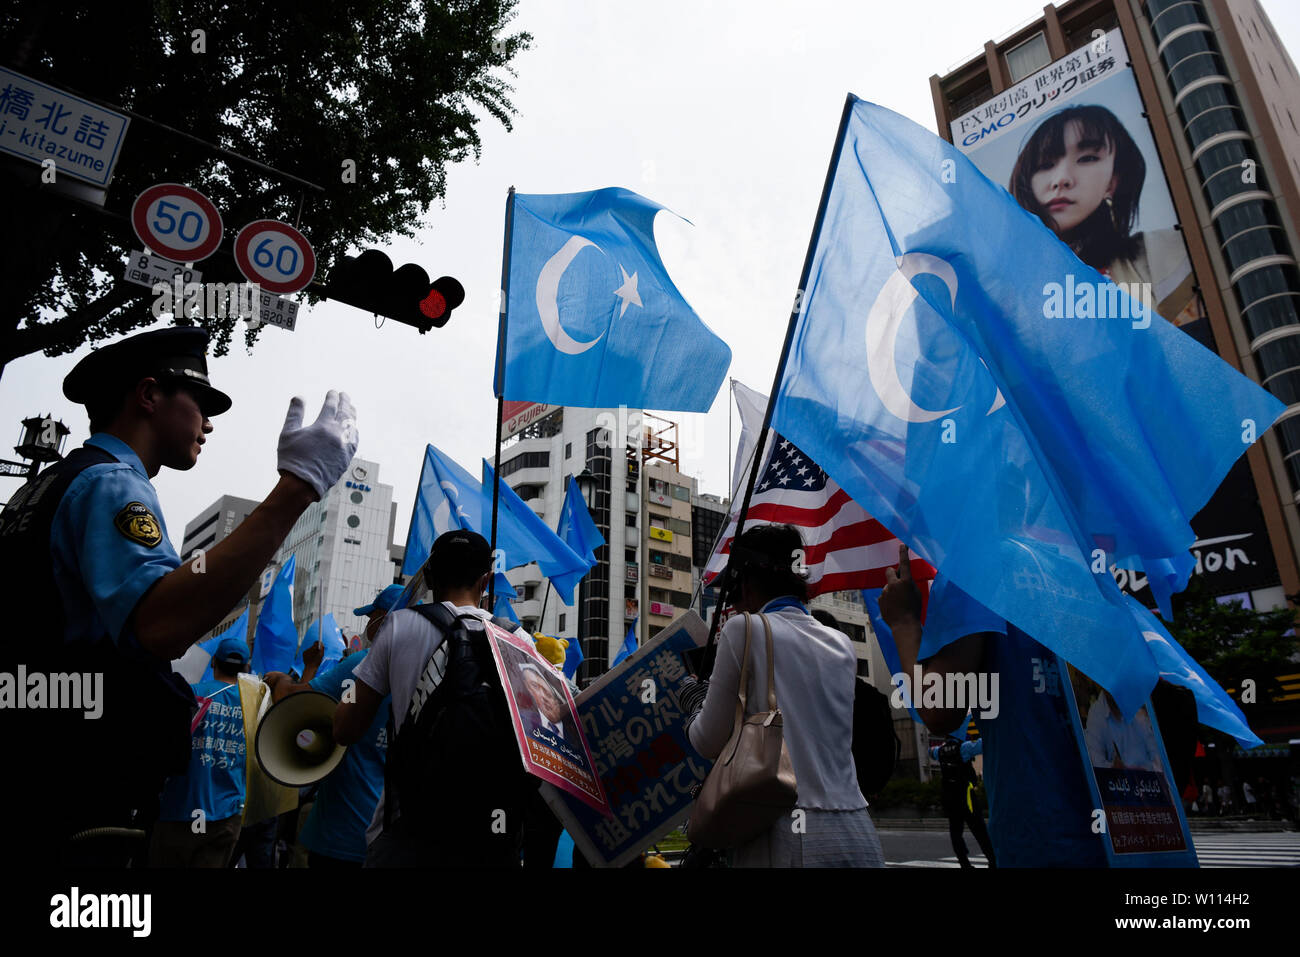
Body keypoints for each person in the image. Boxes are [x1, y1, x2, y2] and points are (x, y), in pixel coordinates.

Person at [0, 325, 359, 867]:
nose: (209, 423)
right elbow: (160, 625)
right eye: (199, 401)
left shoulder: (48, 483)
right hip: (69, 786)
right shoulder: (111, 485)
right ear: (148, 395)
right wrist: (297, 488)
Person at [879, 545, 1108, 866]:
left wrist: (904, 623)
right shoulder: (1084, 572)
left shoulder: (973, 564)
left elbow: (940, 708)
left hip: (1041, 839)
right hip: (1121, 834)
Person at [679, 523, 885, 868]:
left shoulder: (744, 629)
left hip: (784, 831)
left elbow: (706, 740)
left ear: (745, 582)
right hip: (856, 829)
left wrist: (691, 698)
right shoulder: (842, 644)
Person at [335, 530, 541, 867]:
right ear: (486, 581)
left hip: (409, 833)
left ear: (429, 577)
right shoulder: (519, 640)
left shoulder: (398, 626)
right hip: (492, 835)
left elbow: (345, 728)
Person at [1009, 104, 1198, 324]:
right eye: (1046, 164)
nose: (1062, 178)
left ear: (1114, 181)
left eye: (1087, 158)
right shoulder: (1012, 291)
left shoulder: (1164, 254)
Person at [262, 585, 399, 868]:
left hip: (343, 832)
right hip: (389, 834)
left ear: (384, 617)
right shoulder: (420, 665)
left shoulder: (365, 663)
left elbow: (292, 702)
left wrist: (281, 679)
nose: (367, 623)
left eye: (371, 615)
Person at [150, 635, 250, 867]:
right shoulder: (254, 703)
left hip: (178, 808)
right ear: (246, 667)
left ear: (213, 662)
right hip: (226, 815)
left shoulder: (188, 694)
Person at [930, 737, 996, 869]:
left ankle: (964, 862)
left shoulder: (940, 751)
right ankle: (992, 860)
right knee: (979, 830)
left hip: (950, 798)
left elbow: (930, 752)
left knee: (955, 831)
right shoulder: (964, 748)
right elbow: (984, 743)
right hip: (966, 796)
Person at [517, 662, 580, 744]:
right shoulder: (524, 720)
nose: (543, 697)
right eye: (535, 686)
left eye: (548, 695)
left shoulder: (573, 737)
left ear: (557, 702)